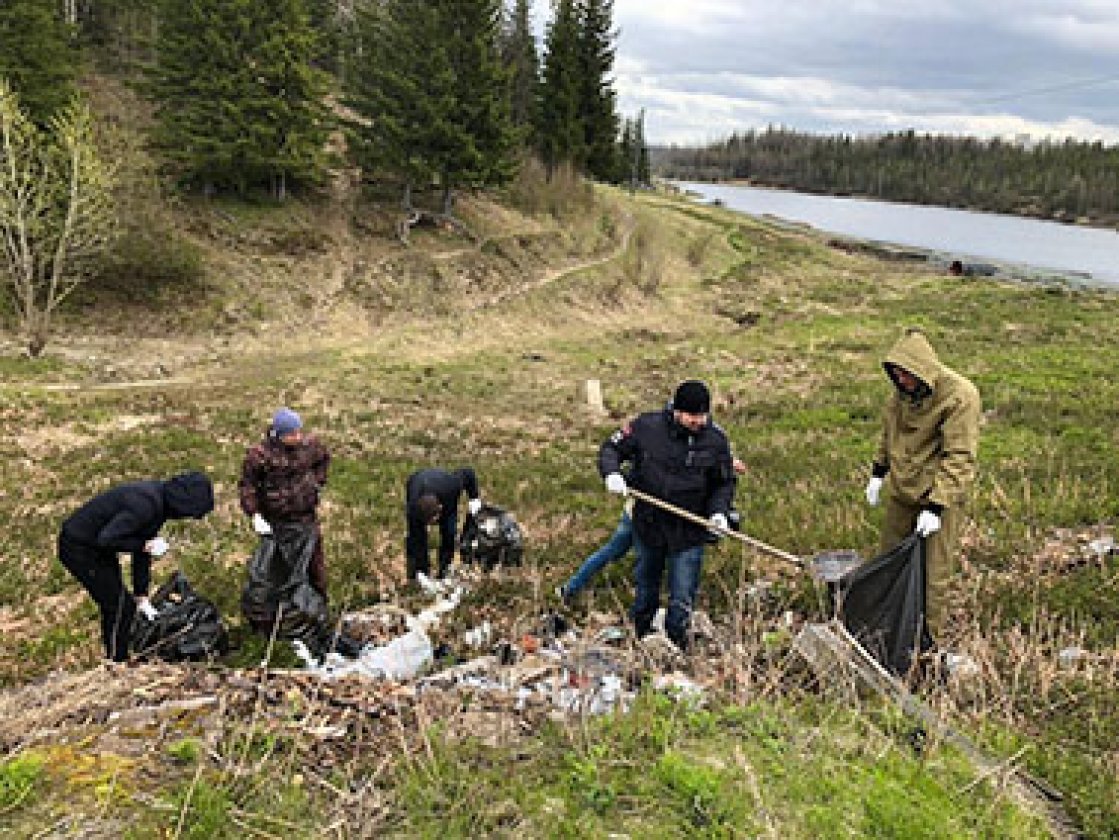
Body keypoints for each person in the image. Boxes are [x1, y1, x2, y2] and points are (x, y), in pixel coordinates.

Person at [598, 379, 736, 651]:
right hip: (649, 524)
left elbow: (724, 482)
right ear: (677, 411)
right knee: (646, 586)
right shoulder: (646, 427)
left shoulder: (716, 441)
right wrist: (612, 473)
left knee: (682, 593)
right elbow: (610, 449)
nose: (699, 421)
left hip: (689, 530)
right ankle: (641, 640)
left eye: (703, 415)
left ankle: (676, 644)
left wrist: (719, 513)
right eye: (692, 415)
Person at [863, 328, 981, 644]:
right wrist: (878, 472)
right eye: (897, 374)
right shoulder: (901, 396)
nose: (901, 381)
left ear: (923, 370)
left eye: (906, 375)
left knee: (933, 574)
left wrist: (936, 506)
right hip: (903, 491)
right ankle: (886, 630)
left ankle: (928, 644)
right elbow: (889, 434)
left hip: (937, 498)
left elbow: (959, 457)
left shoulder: (960, 397)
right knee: (889, 561)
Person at [57, 471, 214, 662]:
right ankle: (117, 662)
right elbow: (108, 539)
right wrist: (144, 545)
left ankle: (118, 655)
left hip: (96, 548)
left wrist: (142, 595)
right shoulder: (144, 506)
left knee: (122, 604)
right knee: (119, 606)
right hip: (79, 548)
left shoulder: (158, 504)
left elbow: (141, 552)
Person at [557, 457, 746, 606]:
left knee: (614, 553)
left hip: (662, 521)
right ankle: (570, 589)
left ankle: (570, 589)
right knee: (616, 553)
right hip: (641, 518)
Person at [239, 407, 332, 597]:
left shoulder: (309, 446)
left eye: (299, 431)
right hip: (277, 525)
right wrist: (255, 514)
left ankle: (317, 611)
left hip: (307, 520)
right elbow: (247, 486)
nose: (297, 436)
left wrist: (316, 482)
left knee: (315, 571)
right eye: (292, 434)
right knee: (280, 575)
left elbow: (324, 459)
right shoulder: (259, 456)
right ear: (279, 435)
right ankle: (283, 615)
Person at [405, 467, 482, 580]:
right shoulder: (413, 507)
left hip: (444, 489)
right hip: (416, 479)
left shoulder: (452, 486)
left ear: (440, 508)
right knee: (416, 538)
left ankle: (444, 570)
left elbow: (468, 472)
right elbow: (416, 540)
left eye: (434, 521)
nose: (431, 526)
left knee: (449, 533)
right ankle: (420, 572)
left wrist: (474, 499)